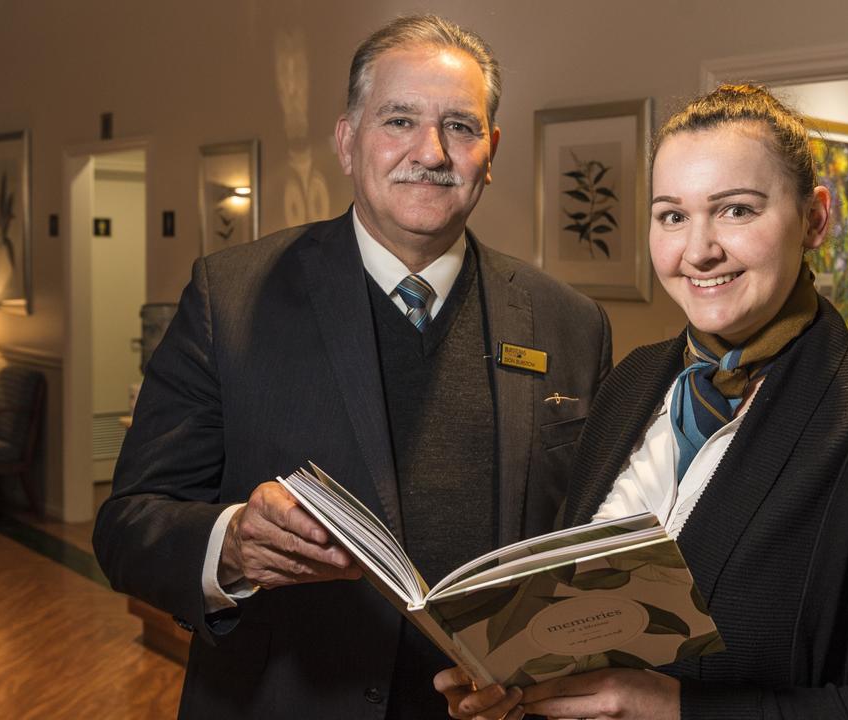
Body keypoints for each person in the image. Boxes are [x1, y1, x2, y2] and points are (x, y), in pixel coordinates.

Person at [92, 14, 611, 719]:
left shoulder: (571, 324)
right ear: (346, 141)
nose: (430, 151)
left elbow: (582, 551)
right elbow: (127, 527)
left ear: (491, 152)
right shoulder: (231, 298)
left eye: (460, 127)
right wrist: (233, 546)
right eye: (399, 120)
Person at [437, 85, 848, 719]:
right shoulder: (630, 384)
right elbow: (585, 615)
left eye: (735, 210)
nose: (698, 250)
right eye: (672, 215)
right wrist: (514, 677)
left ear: (815, 217)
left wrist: (680, 709)